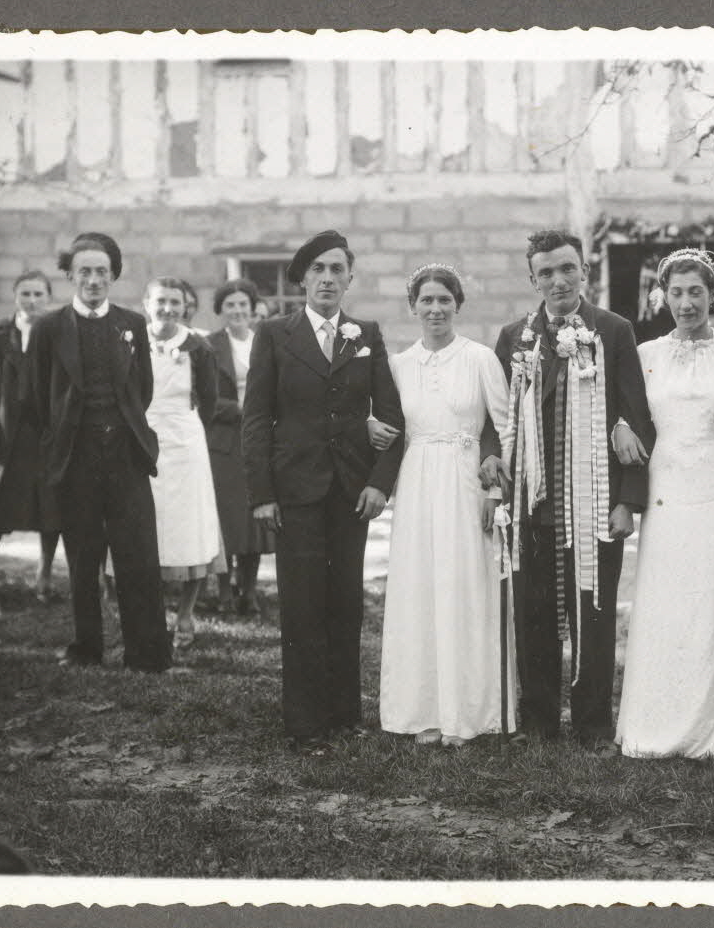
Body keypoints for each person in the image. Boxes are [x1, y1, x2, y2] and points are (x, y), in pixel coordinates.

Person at [490, 229, 654, 749]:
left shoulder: (614, 329)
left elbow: (636, 414)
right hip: (532, 504)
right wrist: (496, 466)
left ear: (584, 270)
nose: (557, 280)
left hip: (593, 500)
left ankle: (590, 725)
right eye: (545, 272)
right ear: (532, 279)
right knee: (532, 615)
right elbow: (499, 419)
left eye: (566, 268)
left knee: (594, 615)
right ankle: (538, 721)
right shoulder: (515, 336)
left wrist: (628, 500)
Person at [243, 230, 405, 752]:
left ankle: (343, 713)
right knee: (302, 603)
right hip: (295, 491)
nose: (328, 279)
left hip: (351, 492)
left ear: (350, 278)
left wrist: (380, 483)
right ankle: (305, 722)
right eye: (318, 270)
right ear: (303, 280)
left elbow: (393, 417)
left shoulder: (366, 334)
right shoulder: (274, 334)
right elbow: (257, 419)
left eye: (337, 269)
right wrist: (262, 494)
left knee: (345, 602)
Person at [616, 249, 714, 761]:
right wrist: (621, 426)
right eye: (676, 292)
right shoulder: (647, 353)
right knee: (666, 601)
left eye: (696, 291)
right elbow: (628, 410)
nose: (686, 302)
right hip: (666, 488)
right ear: (662, 296)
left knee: (713, 601)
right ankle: (655, 725)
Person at [378, 264, 515, 747]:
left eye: (444, 300)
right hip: (417, 481)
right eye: (426, 300)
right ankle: (423, 712)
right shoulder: (399, 364)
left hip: (464, 480)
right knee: (420, 588)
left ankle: (468, 713)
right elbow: (388, 428)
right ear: (413, 306)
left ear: (458, 305)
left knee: (463, 587)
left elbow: (503, 427)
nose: (435, 309)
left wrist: (494, 491)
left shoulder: (480, 359)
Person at [30, 232, 171, 670]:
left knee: (138, 555)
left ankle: (146, 652)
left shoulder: (132, 324)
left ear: (113, 275)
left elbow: (142, 389)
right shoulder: (49, 328)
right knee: (83, 556)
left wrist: (120, 427)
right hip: (75, 457)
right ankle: (86, 647)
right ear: (71, 275)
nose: (93, 280)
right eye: (85, 271)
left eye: (102, 271)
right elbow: (38, 398)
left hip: (126, 454)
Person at [138, 277, 223, 650]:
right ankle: (149, 613)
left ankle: (186, 612)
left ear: (184, 305)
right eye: (161, 301)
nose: (168, 309)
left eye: (175, 302)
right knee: (147, 524)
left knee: (190, 525)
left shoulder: (198, 346)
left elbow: (210, 399)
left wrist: (186, 427)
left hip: (186, 441)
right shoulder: (132, 340)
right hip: (143, 438)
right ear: (147, 303)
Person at [0, 269, 61, 602]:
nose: (32, 300)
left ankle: (44, 577)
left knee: (50, 509)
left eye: (39, 294)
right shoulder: (1, 332)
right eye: (25, 294)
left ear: (48, 298)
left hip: (45, 435)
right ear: (15, 297)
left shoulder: (57, 331)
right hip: (8, 435)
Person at [206, 279, 275, 616]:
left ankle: (249, 590)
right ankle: (223, 591)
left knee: (256, 516)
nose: (237, 311)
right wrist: (239, 410)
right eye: (230, 305)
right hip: (224, 442)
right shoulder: (209, 346)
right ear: (221, 310)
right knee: (227, 516)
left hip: (260, 441)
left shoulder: (265, 341)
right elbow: (202, 398)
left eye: (242, 305)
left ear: (252, 309)